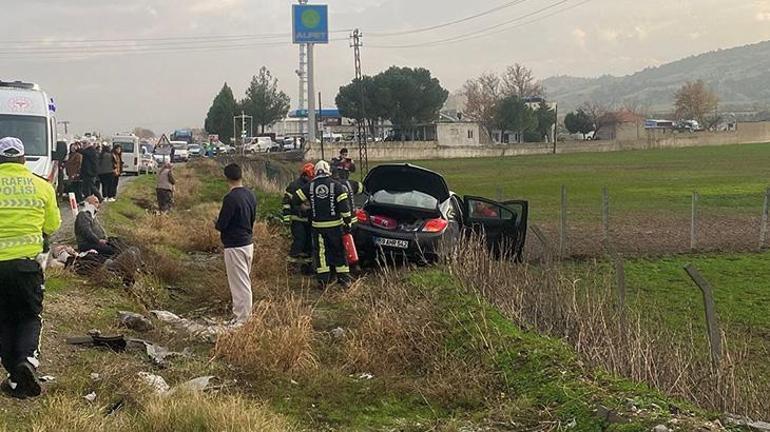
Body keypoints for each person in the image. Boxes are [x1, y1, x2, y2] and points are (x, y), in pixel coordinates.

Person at [0, 137, 61, 399]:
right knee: (28, 317)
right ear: (23, 160)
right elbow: (53, 225)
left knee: (2, 318)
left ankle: (15, 377)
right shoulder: (42, 186)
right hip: (26, 267)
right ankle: (26, 361)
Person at [292, 160, 353, 288]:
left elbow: (295, 199)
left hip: (318, 227)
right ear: (328, 171)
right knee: (339, 251)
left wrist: (306, 209)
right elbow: (345, 208)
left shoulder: (310, 186)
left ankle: (323, 281)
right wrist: (348, 223)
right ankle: (344, 279)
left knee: (321, 254)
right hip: (335, 227)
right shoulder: (336, 186)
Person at [215, 163, 258, 325]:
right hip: (248, 242)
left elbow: (222, 224)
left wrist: (216, 223)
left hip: (234, 245)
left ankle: (242, 319)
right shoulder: (250, 195)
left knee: (239, 284)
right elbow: (252, 217)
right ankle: (242, 316)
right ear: (241, 175)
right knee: (243, 280)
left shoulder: (230, 198)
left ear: (226, 178)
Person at [282, 163, 314, 266]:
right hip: (297, 219)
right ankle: (291, 265)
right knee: (299, 240)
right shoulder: (294, 186)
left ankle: (306, 266)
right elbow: (286, 203)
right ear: (305, 175)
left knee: (308, 244)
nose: (311, 179)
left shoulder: (312, 185)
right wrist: (286, 219)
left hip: (309, 220)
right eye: (310, 177)